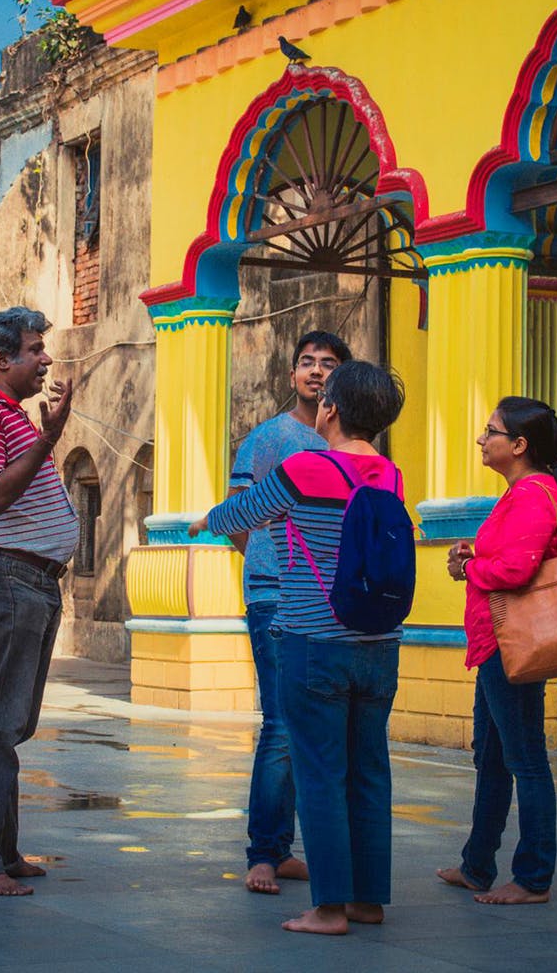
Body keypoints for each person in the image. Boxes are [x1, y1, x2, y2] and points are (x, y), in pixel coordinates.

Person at [191, 360, 406, 935]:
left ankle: (329, 907)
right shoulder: (389, 475)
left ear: (330, 409)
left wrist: (203, 522)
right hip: (381, 644)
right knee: (369, 770)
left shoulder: (306, 467)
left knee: (318, 772)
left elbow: (242, 513)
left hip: (314, 640)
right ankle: (367, 899)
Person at [436, 396, 557, 906]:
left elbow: (516, 571)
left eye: (490, 431)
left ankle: (533, 877)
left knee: (525, 760)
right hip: (496, 643)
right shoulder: (526, 492)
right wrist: (474, 553)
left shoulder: (532, 494)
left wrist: (468, 568)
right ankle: (477, 865)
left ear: (519, 445)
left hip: (511, 644)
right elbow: (511, 555)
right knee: (494, 758)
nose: (482, 438)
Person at [0, 306, 77, 897]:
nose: (45, 359)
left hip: (33, 581)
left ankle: (0, 849)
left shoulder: (7, 413)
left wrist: (45, 437)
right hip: (11, 577)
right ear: (3, 359)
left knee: (13, 723)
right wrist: (50, 438)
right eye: (34, 349)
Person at [228, 329, 351, 894]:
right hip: (275, 592)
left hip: (333, 600)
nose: (317, 372)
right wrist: (269, 557)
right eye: (307, 363)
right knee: (279, 721)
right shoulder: (268, 438)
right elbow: (236, 517)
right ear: (292, 374)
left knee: (312, 724)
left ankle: (283, 849)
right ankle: (263, 853)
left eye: (328, 364)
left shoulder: (349, 444)